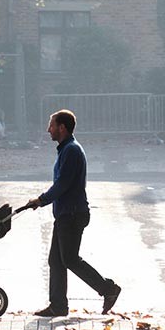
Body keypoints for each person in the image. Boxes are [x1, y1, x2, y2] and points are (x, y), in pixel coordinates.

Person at [26, 109, 121, 317]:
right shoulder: (66, 149)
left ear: (62, 128)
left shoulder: (71, 151)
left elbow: (63, 184)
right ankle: (58, 305)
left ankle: (108, 289)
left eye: (51, 125)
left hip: (72, 214)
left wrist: (41, 200)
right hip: (65, 214)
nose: (47, 129)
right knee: (56, 260)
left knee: (69, 259)